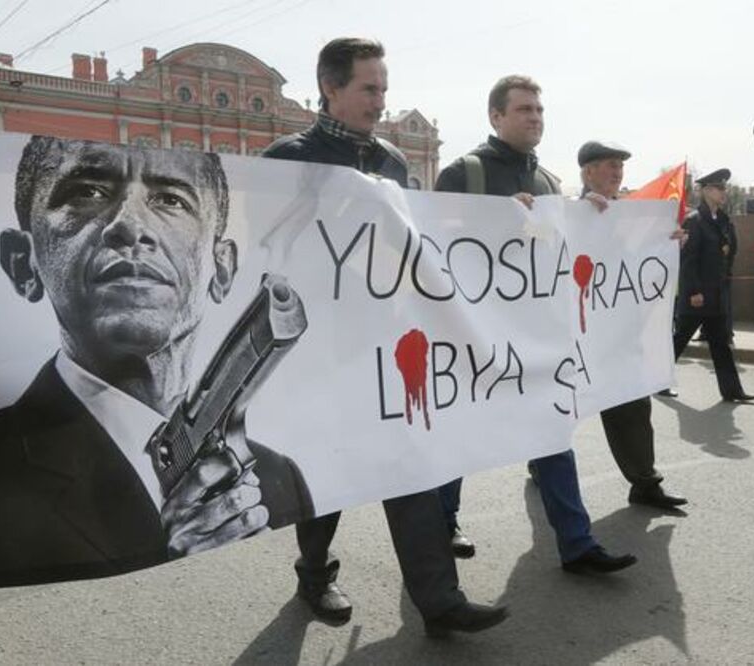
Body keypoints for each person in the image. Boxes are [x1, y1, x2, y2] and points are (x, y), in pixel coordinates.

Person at [0, 137, 312, 593]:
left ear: (223, 267)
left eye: (171, 200)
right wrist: (164, 563)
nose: (130, 226)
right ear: (22, 261)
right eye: (87, 192)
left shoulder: (278, 478)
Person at [262, 37, 507, 638]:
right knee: (327, 475)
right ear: (331, 88)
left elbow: (424, 238)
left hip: (388, 344)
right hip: (320, 349)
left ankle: (440, 601)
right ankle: (314, 574)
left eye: (384, 89)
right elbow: (263, 246)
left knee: (410, 464)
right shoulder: (287, 158)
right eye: (369, 88)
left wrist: (510, 220)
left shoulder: (393, 162)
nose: (380, 100)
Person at [434, 75, 637, 576]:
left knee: (552, 434)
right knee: (458, 437)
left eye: (539, 110)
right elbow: (435, 242)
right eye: (524, 109)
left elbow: (561, 249)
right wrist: (494, 221)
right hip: (472, 336)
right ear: (496, 116)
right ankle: (442, 525)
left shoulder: (548, 182)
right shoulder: (465, 173)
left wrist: (590, 218)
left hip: (534, 338)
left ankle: (577, 544)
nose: (535, 117)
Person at [577, 140, 687, 509]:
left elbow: (639, 262)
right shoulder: (569, 213)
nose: (618, 171)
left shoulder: (631, 216)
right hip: (577, 335)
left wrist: (668, 242)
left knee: (633, 405)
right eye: (610, 164)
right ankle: (544, 465)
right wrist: (582, 215)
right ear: (588, 171)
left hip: (620, 335)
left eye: (620, 165)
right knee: (560, 408)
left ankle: (644, 482)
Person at [672, 168, 754, 403]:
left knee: (721, 345)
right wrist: (694, 291)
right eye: (719, 188)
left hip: (716, 294)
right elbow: (688, 261)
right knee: (679, 341)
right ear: (706, 191)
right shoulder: (694, 221)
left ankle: (732, 391)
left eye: (724, 188)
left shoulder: (723, 220)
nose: (723, 192)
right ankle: (657, 381)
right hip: (698, 296)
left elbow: (728, 252)